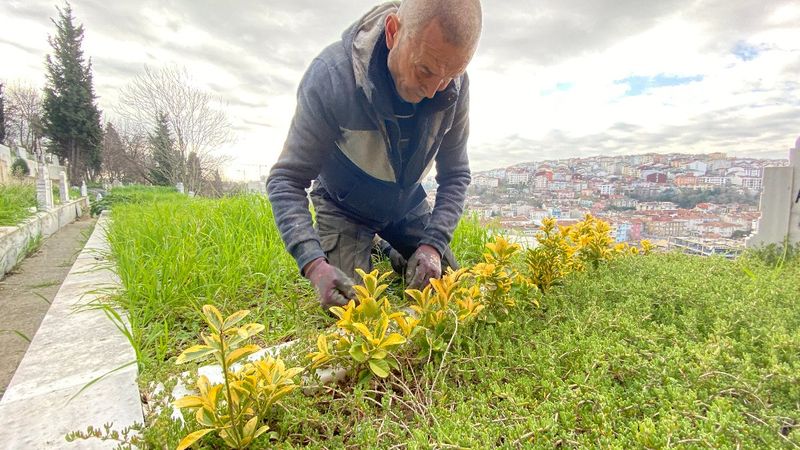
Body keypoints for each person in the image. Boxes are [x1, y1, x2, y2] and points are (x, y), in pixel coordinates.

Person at [267, 0, 483, 310]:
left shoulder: (454, 87)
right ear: (394, 32)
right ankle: (365, 243)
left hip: (405, 202)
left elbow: (456, 174)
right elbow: (286, 179)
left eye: (451, 75)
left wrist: (433, 245)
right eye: (425, 69)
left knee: (445, 283)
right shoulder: (331, 77)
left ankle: (392, 251)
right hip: (344, 206)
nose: (436, 89)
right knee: (349, 306)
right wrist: (314, 265)